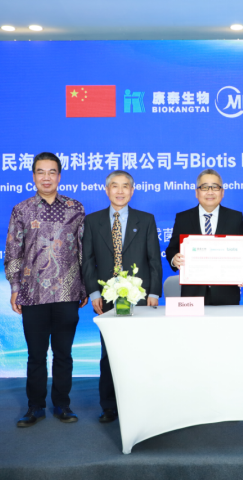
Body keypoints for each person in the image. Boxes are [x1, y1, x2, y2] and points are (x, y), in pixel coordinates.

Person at [5, 152, 88, 427]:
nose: (46, 177)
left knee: (64, 354)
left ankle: (63, 404)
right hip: (32, 294)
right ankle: (35, 407)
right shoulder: (22, 209)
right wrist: (15, 287)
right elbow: (13, 251)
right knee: (36, 355)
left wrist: (85, 287)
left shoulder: (76, 208)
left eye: (52, 172)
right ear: (33, 176)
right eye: (40, 172)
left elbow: (84, 251)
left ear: (59, 176)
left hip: (67, 292)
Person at [82, 170, 162, 423]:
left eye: (125, 186)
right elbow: (88, 260)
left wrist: (154, 292)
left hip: (140, 297)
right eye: (114, 186)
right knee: (110, 352)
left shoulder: (145, 219)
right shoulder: (92, 221)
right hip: (107, 297)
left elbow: (154, 259)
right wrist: (94, 292)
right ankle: (109, 406)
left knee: (140, 351)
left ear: (132, 190)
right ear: (106, 190)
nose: (120, 191)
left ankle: (141, 402)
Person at [165, 169, 243, 305]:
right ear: (196, 192)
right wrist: (174, 259)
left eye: (215, 187)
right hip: (193, 294)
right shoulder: (183, 218)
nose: (210, 192)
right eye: (205, 187)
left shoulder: (234, 217)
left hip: (226, 294)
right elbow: (172, 249)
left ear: (222, 192)